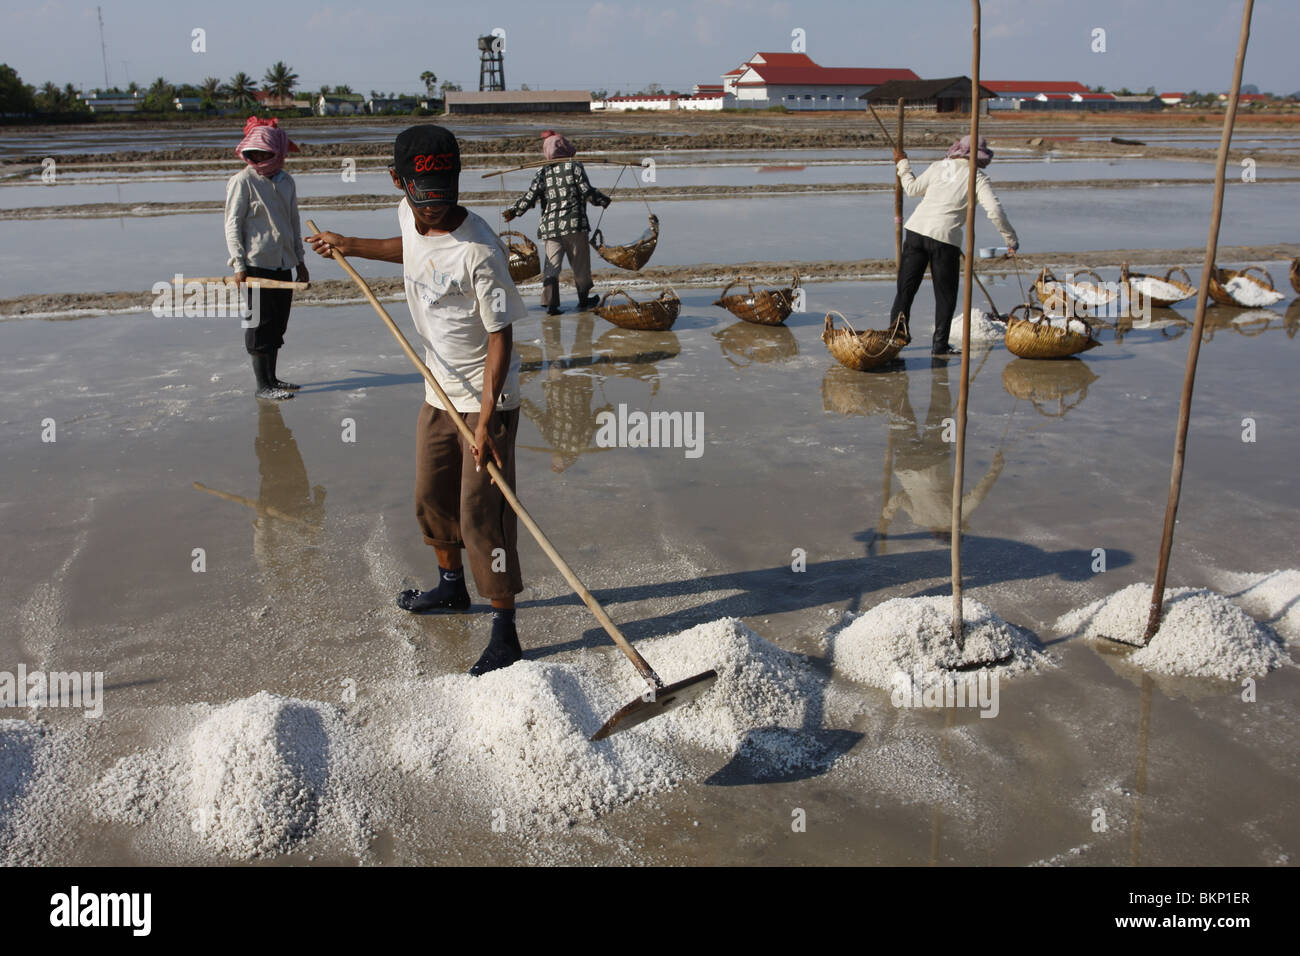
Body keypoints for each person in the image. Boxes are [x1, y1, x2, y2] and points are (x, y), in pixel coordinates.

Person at [305, 125, 528, 676]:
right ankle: (452, 587)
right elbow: (412, 250)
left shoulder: (481, 252)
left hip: (485, 398)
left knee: (484, 515)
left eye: (443, 196)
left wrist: (485, 421)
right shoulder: (410, 215)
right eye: (422, 197)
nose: (432, 210)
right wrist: (348, 244)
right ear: (400, 183)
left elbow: (501, 336)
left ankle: (506, 630)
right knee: (432, 498)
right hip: (437, 388)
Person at [890, 135, 1018, 357]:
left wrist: (903, 164)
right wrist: (1011, 239)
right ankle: (939, 346)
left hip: (916, 232)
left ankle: (894, 341)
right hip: (945, 239)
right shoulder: (977, 178)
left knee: (905, 290)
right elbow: (994, 211)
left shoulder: (939, 166)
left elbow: (911, 189)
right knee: (945, 295)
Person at [224, 116, 309, 400]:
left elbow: (293, 221)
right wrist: (239, 263)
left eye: (264, 153)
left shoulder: (286, 182)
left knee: (277, 323)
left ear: (277, 153)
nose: (258, 158)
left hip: (282, 263)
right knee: (258, 325)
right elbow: (232, 224)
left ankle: (273, 379)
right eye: (254, 153)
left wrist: (300, 260)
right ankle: (263, 386)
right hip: (256, 265)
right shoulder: (243, 181)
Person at [503, 130, 611, 316]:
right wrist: (602, 200)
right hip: (574, 224)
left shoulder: (542, 170)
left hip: (551, 227)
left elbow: (530, 196)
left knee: (551, 266)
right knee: (580, 264)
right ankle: (584, 299)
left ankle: (551, 304)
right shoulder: (574, 166)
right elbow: (586, 191)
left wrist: (514, 211)